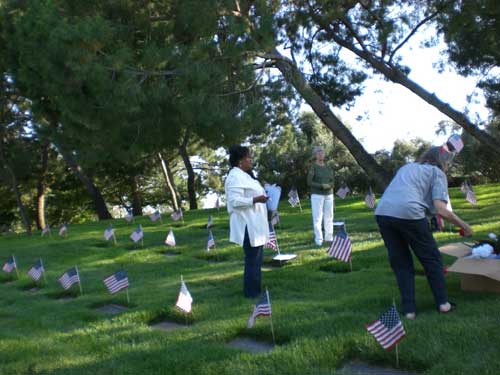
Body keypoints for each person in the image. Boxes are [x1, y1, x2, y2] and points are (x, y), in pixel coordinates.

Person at [375, 146, 473, 320]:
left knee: (401, 263)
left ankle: (409, 311)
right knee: (431, 259)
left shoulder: (407, 167)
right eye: (448, 163)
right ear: (443, 162)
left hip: (383, 213)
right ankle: (443, 304)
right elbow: (441, 209)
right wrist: (465, 226)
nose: (448, 167)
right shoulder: (437, 173)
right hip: (409, 213)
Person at [224, 145, 269, 298]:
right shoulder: (234, 176)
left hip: (255, 223)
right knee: (252, 260)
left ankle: (255, 290)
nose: (251, 160)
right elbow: (234, 201)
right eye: (248, 158)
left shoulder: (247, 176)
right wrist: (256, 199)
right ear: (240, 161)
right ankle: (252, 293)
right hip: (247, 225)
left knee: (257, 260)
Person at [307, 146, 335, 246]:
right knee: (318, 217)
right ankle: (319, 239)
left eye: (322, 152)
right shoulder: (313, 167)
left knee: (329, 216)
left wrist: (329, 185)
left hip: (329, 194)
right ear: (315, 155)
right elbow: (309, 182)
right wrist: (321, 186)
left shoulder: (328, 167)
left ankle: (329, 238)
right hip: (317, 195)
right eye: (318, 153)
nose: (321, 154)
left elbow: (333, 181)